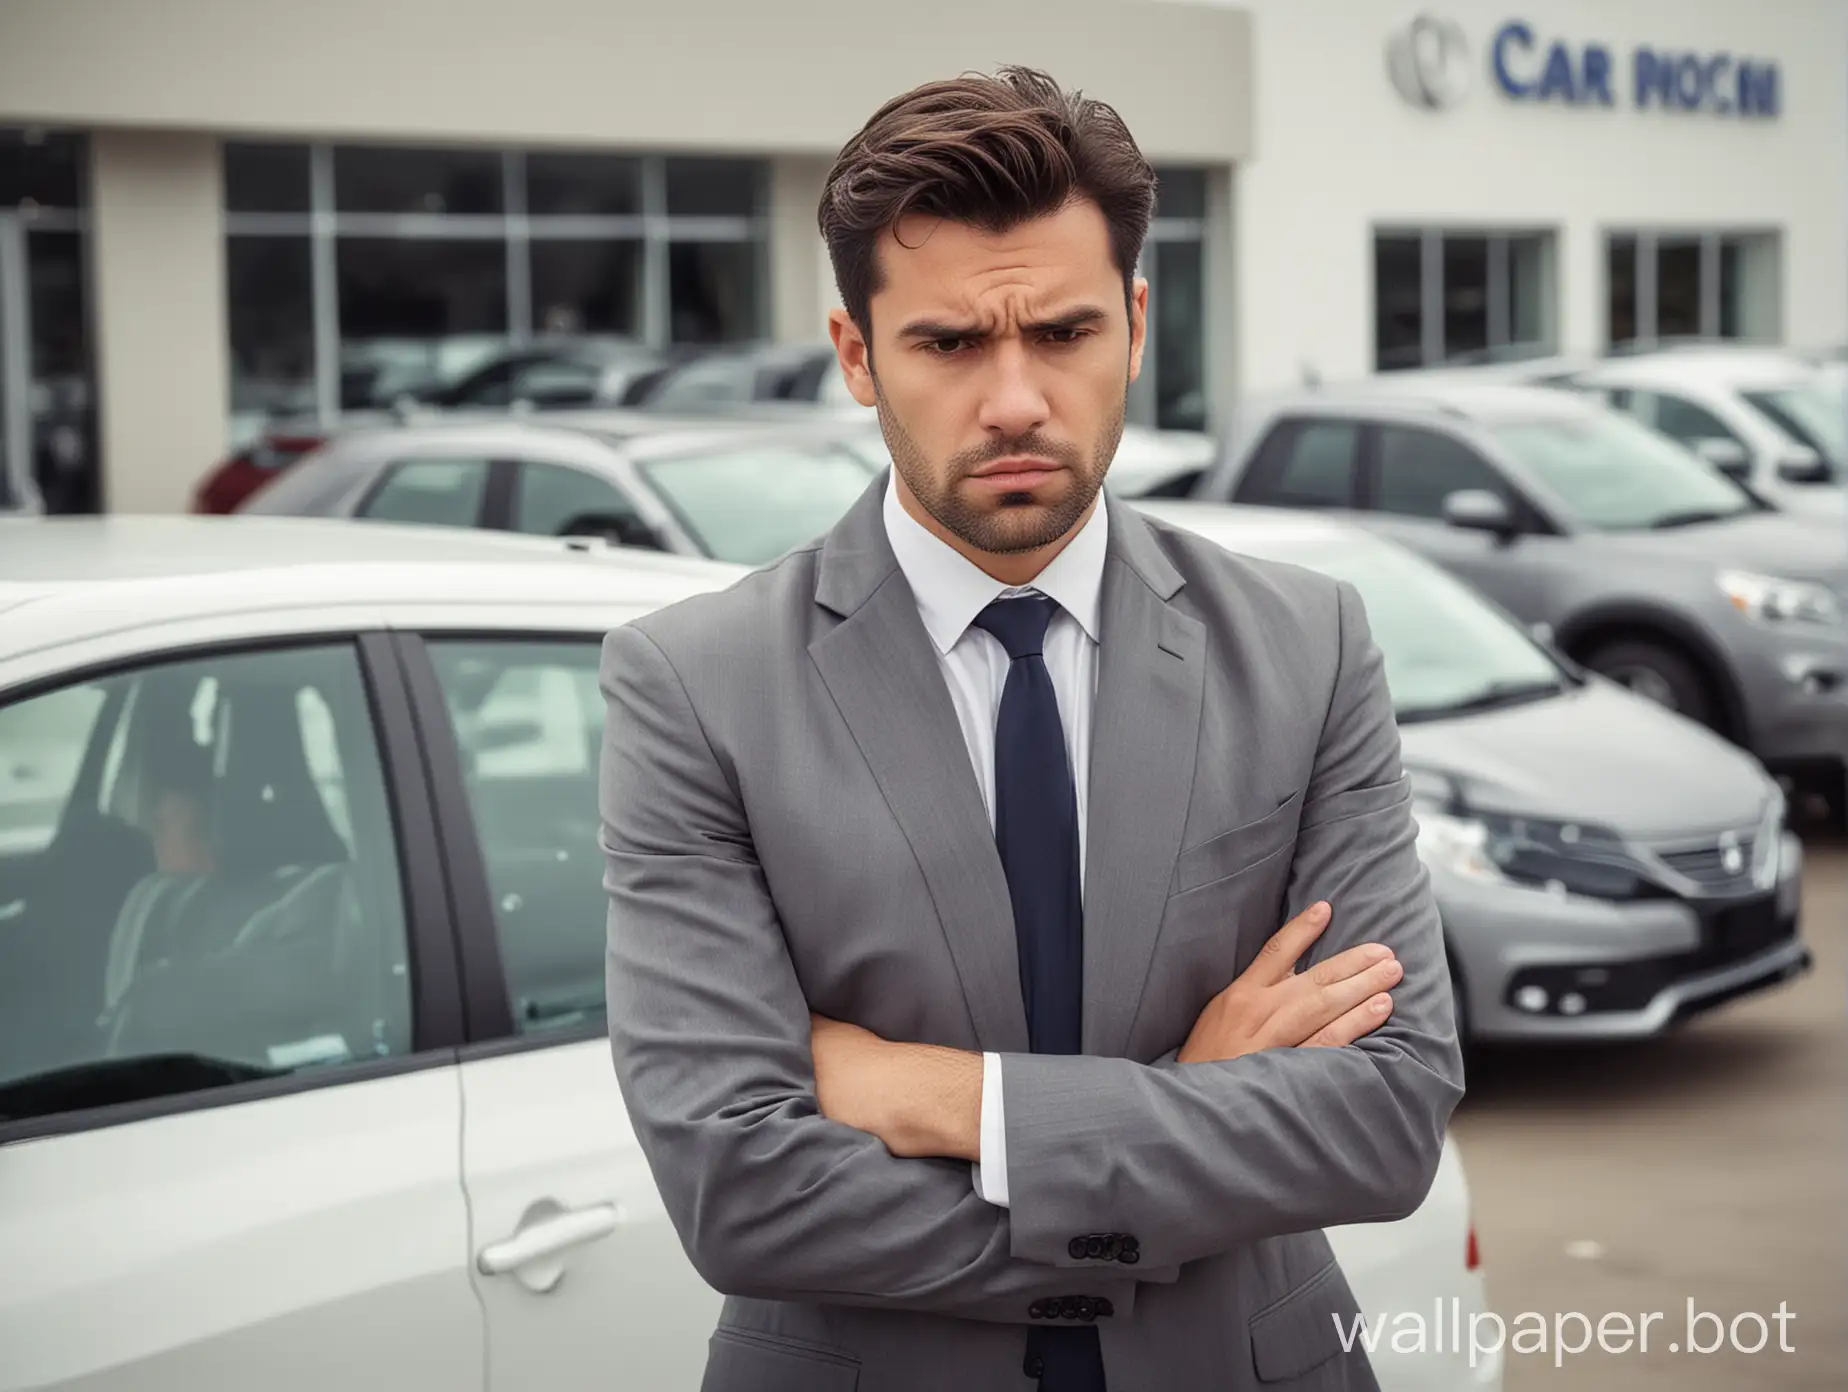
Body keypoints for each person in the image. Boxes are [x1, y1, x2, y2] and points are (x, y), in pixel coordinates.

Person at [598, 66, 1463, 1392]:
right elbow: (741, 1190)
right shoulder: (695, 685)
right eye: (949, 344)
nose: (1014, 401)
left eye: (1062, 334)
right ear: (856, 356)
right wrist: (1192, 1108)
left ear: (1133, 323)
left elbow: (1389, 1120)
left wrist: (946, 1102)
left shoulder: (1306, 645)